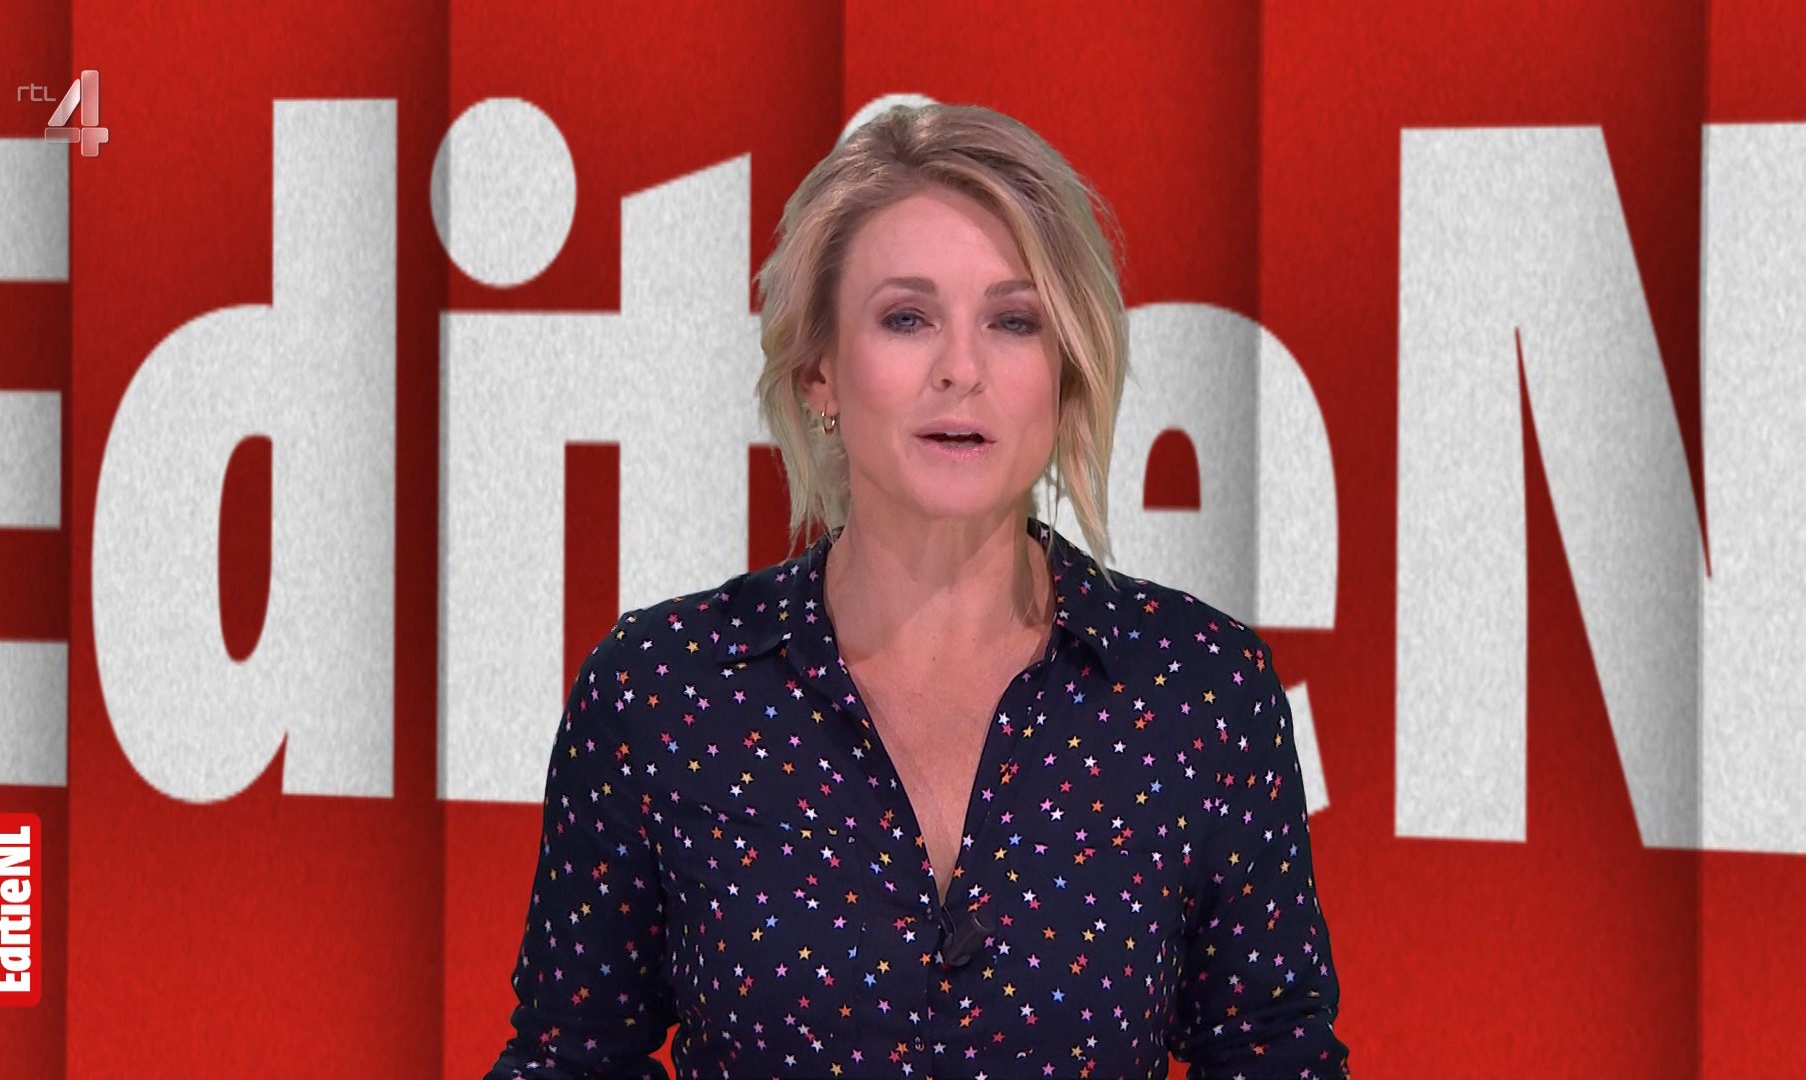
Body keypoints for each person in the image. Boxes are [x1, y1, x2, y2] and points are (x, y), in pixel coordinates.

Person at [485, 102, 1350, 1079]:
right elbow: (570, 1058)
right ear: (819, 371)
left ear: (1066, 372)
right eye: (907, 318)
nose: (961, 370)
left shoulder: (1200, 693)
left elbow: (1275, 1055)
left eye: (1013, 321)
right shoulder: (661, 693)